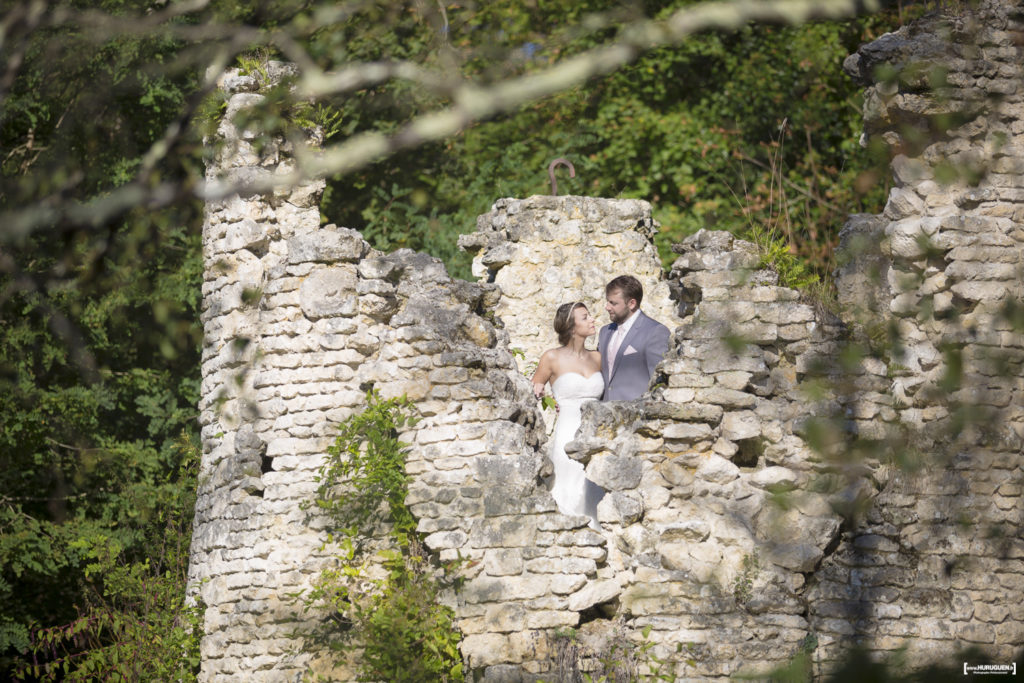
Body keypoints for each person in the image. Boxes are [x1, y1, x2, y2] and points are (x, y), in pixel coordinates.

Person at [531, 302, 605, 530]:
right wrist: (547, 397)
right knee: (567, 482)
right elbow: (532, 389)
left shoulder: (598, 357)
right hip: (567, 432)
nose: (592, 320)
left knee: (592, 484)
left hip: (594, 434)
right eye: (585, 317)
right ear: (572, 327)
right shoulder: (551, 357)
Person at [598, 275, 671, 401]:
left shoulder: (655, 332)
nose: (607, 307)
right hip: (603, 410)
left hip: (636, 410)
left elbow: (659, 382)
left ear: (632, 303)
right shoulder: (605, 331)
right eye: (608, 301)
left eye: (613, 303)